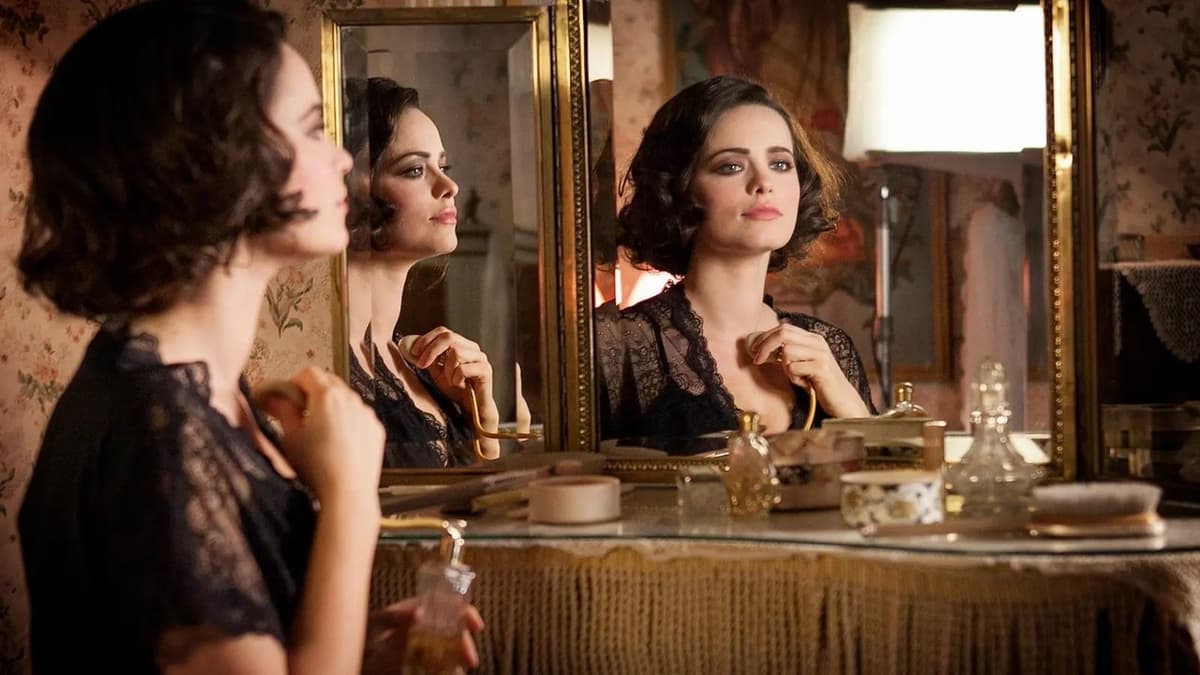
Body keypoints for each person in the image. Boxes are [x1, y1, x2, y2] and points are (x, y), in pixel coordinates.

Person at [16, 2, 481, 673]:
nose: (341, 158)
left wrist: (358, 648)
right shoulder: (157, 433)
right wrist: (351, 497)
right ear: (213, 162)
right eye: (313, 128)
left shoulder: (199, 395)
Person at [596, 76, 875, 444]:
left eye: (780, 164)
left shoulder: (829, 347)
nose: (764, 183)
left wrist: (847, 404)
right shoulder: (616, 345)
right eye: (731, 166)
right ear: (679, 189)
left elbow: (886, 479)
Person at [347, 77, 509, 468]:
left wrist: (481, 421)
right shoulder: (328, 366)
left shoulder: (416, 366)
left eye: (443, 165)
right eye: (415, 170)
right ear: (349, 190)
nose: (450, 185)